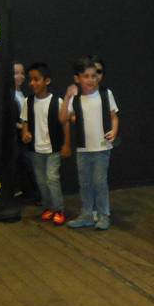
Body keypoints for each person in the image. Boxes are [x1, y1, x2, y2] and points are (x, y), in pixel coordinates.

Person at [62, 57, 118, 230]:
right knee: (85, 183)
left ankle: (103, 215)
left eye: (94, 76)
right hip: (83, 149)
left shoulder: (105, 94)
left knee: (99, 182)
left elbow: (114, 116)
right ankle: (87, 214)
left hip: (102, 148)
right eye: (86, 76)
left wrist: (114, 131)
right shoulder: (75, 98)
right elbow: (63, 118)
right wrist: (67, 96)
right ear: (77, 78)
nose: (91, 79)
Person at [20, 62, 69, 225]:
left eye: (36, 79)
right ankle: (48, 207)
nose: (32, 83)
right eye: (30, 80)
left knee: (52, 178)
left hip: (53, 148)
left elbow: (65, 123)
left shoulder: (57, 101)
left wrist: (66, 144)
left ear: (47, 81)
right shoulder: (28, 101)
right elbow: (24, 120)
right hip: (36, 149)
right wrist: (25, 132)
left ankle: (59, 209)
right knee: (41, 180)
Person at [10, 61, 32, 198]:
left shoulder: (21, 93)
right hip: (15, 138)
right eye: (16, 73)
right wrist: (21, 127)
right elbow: (7, 119)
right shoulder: (9, 94)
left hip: (24, 136)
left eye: (22, 73)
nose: (20, 76)